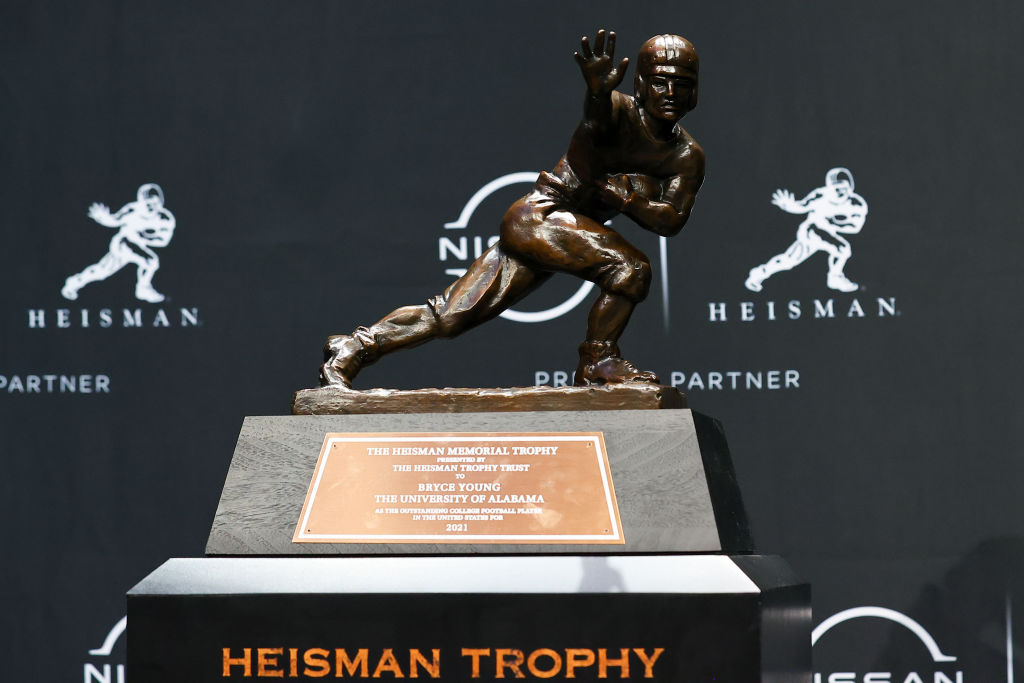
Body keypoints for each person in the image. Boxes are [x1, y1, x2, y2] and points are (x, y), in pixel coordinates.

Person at [321, 30, 704, 388]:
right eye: (659, 81)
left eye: (681, 84)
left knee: (451, 315)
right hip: (540, 217)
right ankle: (596, 363)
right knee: (631, 267)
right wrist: (598, 94)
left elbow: (671, 220)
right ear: (639, 84)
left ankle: (354, 347)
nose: (669, 92)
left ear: (694, 93)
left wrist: (628, 200)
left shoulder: (686, 157)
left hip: (566, 233)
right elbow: (598, 122)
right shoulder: (615, 111)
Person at [745, 167, 868, 293]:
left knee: (788, 260)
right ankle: (835, 278)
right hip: (811, 231)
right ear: (829, 187)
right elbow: (802, 206)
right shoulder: (820, 196)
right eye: (836, 188)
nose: (840, 191)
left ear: (851, 187)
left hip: (827, 234)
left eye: (844, 187)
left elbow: (855, 228)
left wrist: (833, 224)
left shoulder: (857, 205)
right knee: (842, 249)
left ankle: (759, 274)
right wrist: (789, 206)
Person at [62, 183, 176, 303]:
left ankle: (74, 283)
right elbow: (114, 221)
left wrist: (144, 237)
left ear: (161, 202)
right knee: (149, 261)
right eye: (148, 203)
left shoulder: (166, 219)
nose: (151, 207)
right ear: (141, 202)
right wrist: (103, 217)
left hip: (138, 246)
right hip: (123, 243)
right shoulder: (132, 210)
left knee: (102, 271)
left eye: (155, 203)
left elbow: (163, 241)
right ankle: (142, 289)